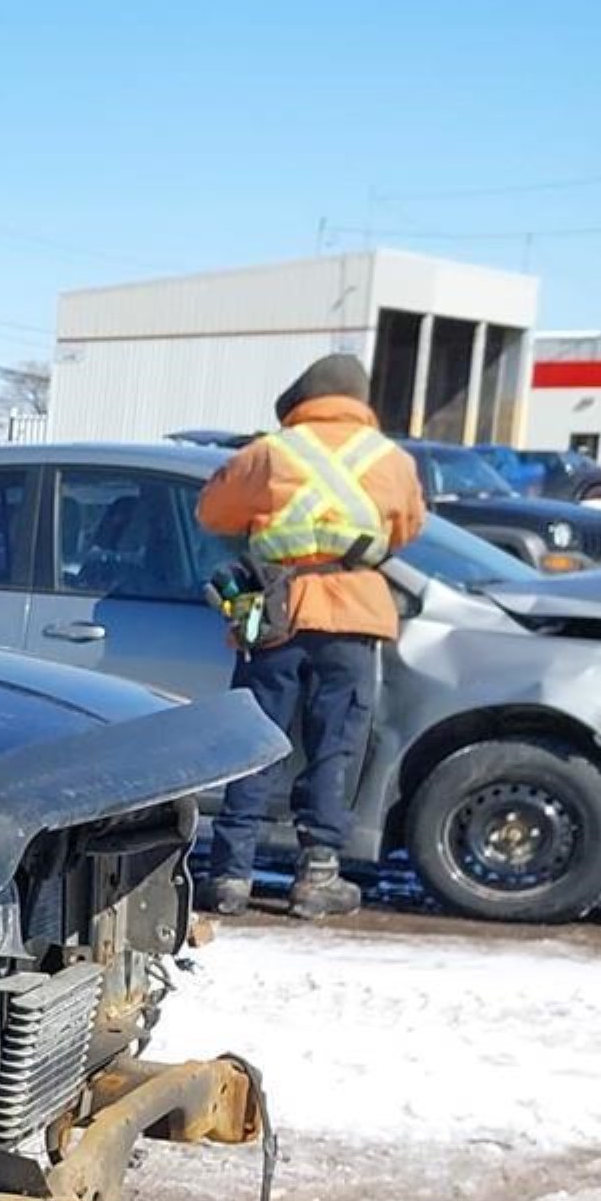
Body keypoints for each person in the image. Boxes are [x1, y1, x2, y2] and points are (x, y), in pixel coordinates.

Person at [192, 352, 424, 920]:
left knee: (256, 743)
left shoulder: (272, 452)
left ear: (299, 402)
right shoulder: (391, 459)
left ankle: (229, 877)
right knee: (335, 748)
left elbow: (212, 513)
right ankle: (316, 877)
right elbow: (410, 526)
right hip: (353, 617)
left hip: (277, 613)